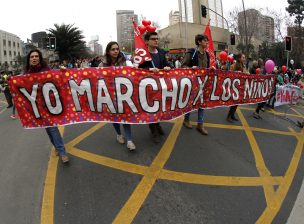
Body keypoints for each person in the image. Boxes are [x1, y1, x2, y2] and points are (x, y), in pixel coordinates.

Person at [24, 49, 69, 164]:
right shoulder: (26, 74)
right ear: (29, 59)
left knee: (52, 128)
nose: (34, 58)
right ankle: (57, 147)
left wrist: (62, 71)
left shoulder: (47, 70)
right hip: (37, 108)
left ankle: (62, 151)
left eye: (36, 56)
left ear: (39, 58)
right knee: (48, 130)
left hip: (49, 105)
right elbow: (20, 85)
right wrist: (10, 81)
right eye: (31, 57)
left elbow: (57, 78)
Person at [99, 41, 136, 151]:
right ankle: (119, 134)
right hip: (109, 95)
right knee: (114, 117)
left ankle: (129, 140)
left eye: (117, 49)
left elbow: (133, 74)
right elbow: (97, 78)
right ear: (108, 51)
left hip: (124, 94)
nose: (115, 51)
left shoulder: (125, 61)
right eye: (113, 49)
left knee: (125, 117)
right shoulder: (102, 64)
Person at [139, 32, 171, 143]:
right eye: (153, 39)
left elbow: (167, 64)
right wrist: (149, 70)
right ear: (146, 41)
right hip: (147, 87)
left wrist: (167, 67)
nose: (156, 40)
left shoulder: (161, 52)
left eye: (157, 38)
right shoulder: (142, 54)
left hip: (160, 86)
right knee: (151, 109)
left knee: (159, 107)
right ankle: (153, 130)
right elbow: (136, 70)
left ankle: (157, 124)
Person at [181, 34, 211, 135]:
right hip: (193, 83)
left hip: (203, 83)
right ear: (199, 42)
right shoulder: (191, 53)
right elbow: (183, 66)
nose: (207, 42)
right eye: (205, 41)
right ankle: (186, 120)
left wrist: (210, 70)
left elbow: (207, 68)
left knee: (202, 103)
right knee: (190, 102)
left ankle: (200, 124)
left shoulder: (207, 54)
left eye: (207, 41)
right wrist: (191, 68)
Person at [226, 53, 247, 123]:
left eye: (244, 58)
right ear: (239, 58)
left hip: (240, 86)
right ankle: (228, 116)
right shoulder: (234, 65)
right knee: (234, 102)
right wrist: (236, 73)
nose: (244, 59)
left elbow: (245, 73)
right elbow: (230, 74)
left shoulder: (243, 65)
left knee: (237, 102)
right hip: (235, 86)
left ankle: (232, 115)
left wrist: (247, 73)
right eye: (243, 57)